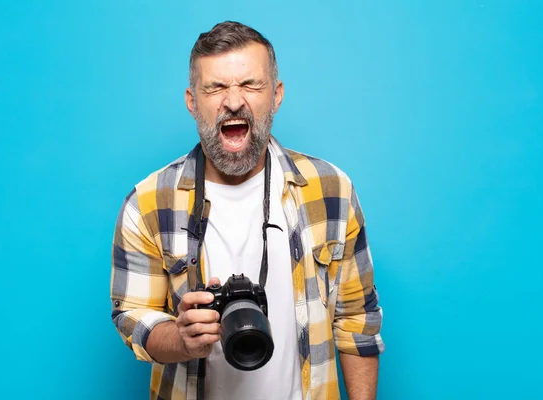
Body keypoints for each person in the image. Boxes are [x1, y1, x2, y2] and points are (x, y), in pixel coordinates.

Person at [110, 21, 384, 400]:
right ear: (192, 101)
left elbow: (358, 322)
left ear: (276, 95)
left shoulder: (332, 190)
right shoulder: (148, 202)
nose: (234, 101)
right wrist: (182, 338)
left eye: (251, 85)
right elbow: (133, 315)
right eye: (216, 87)